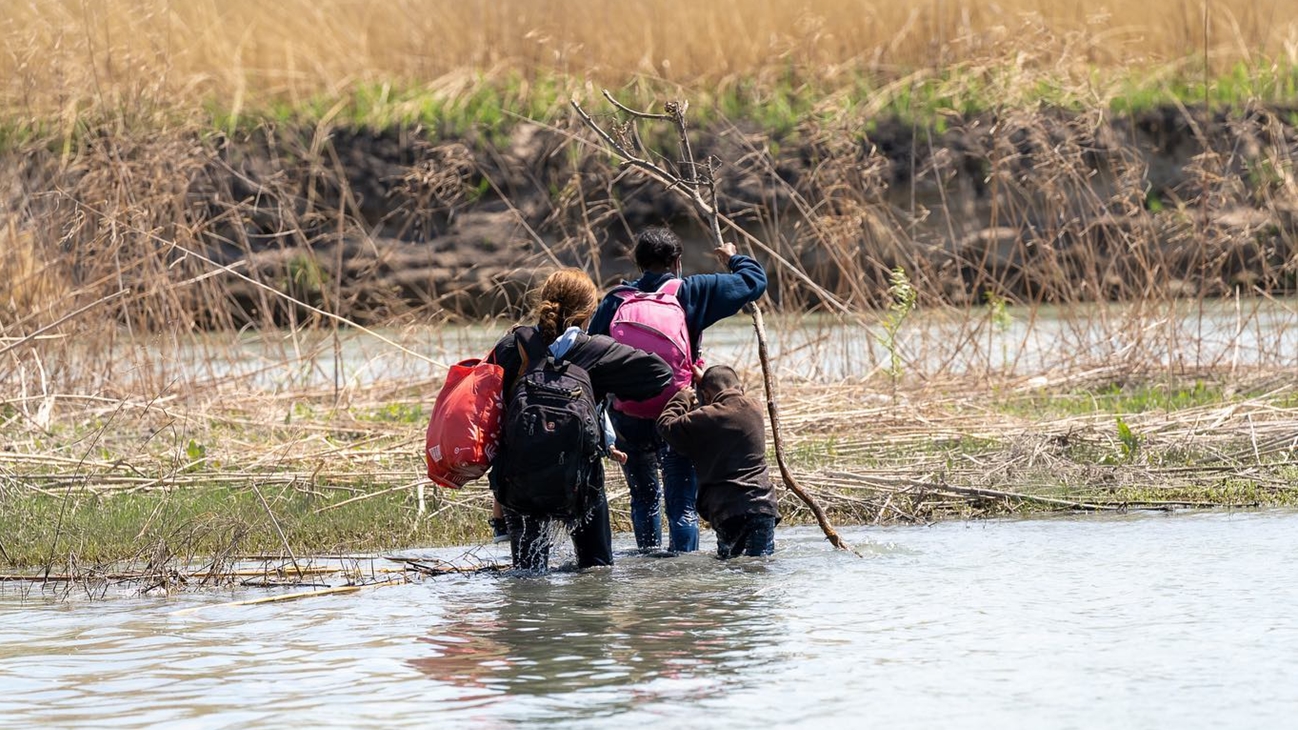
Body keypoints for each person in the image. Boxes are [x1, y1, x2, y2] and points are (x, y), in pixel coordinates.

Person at [588, 226, 767, 553]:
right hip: (678, 415)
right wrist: (732, 258)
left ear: (638, 262)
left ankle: (648, 566)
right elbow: (755, 280)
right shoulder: (691, 291)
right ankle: (682, 577)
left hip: (627, 414)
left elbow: (592, 358)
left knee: (643, 498)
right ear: (677, 261)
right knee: (682, 505)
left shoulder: (614, 301)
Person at [489, 268, 671, 572]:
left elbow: (483, 404)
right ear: (589, 312)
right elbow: (660, 374)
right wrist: (604, 390)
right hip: (580, 482)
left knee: (527, 577)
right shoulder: (597, 351)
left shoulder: (512, 346)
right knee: (597, 572)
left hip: (519, 482)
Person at [656, 365, 780, 558]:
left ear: (705, 394)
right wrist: (707, 380)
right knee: (759, 565)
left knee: (730, 568)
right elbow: (725, 387)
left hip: (728, 510)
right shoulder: (755, 406)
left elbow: (665, 425)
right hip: (763, 506)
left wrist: (682, 398)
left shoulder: (708, 417)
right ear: (741, 388)